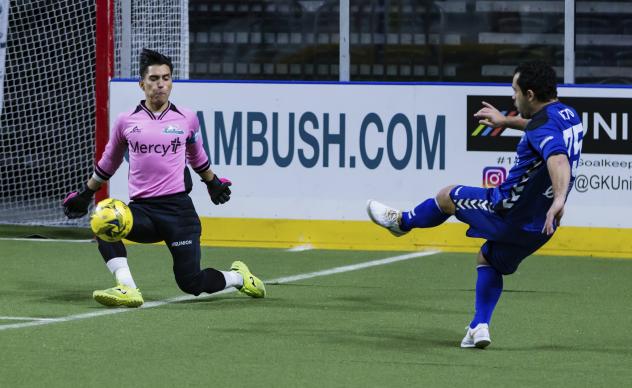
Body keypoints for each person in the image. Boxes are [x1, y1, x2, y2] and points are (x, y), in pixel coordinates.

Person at [367, 60, 583, 349]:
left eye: (515, 91)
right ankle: (479, 327)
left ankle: (402, 222)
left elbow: (557, 157)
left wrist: (559, 198)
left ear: (530, 94)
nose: (512, 97)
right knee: (488, 259)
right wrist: (507, 122)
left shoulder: (543, 129)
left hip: (505, 211)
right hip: (541, 226)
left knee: (447, 196)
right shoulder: (569, 115)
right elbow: (541, 129)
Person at [63, 49, 265, 307]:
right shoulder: (126, 121)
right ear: (141, 84)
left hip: (179, 213)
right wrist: (86, 193)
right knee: (104, 222)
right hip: (143, 211)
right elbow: (109, 161)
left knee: (190, 282)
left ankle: (238, 277)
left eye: (166, 78)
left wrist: (212, 182)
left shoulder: (186, 118)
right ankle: (127, 288)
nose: (161, 84)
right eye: (154, 78)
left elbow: (197, 156)